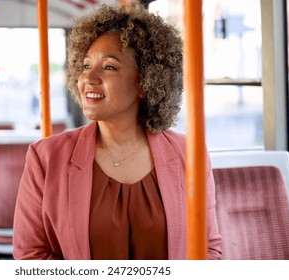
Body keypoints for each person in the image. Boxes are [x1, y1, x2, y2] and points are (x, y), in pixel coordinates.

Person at [13, 2, 222, 260]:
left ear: (145, 82)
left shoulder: (189, 155)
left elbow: (208, 249)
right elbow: (30, 254)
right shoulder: (45, 158)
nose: (89, 77)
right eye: (86, 65)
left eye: (109, 67)